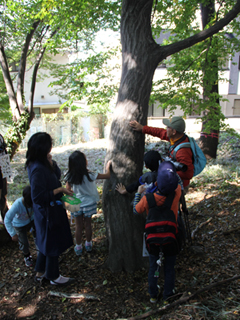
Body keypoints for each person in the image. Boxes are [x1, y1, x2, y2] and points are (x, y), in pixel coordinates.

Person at [25, 132, 74, 286]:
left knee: (46, 243)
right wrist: (60, 190)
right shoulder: (37, 169)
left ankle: (40, 273)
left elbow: (56, 176)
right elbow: (38, 197)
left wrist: (52, 163)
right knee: (52, 243)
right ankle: (53, 276)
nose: (51, 148)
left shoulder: (41, 162)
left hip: (51, 210)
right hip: (47, 213)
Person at [133, 161, 181, 303]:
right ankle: (167, 295)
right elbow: (177, 182)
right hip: (172, 237)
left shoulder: (148, 199)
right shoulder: (177, 192)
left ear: (157, 183)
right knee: (169, 267)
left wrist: (138, 194)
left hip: (153, 240)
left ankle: (153, 295)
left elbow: (136, 210)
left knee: (154, 266)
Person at [65, 150, 111, 256]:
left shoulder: (69, 176)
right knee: (88, 224)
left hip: (76, 203)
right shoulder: (90, 174)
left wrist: (70, 206)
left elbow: (68, 191)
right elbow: (107, 176)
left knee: (78, 226)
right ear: (84, 162)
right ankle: (89, 244)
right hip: (89, 203)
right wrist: (108, 166)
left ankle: (78, 247)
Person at [129, 116, 194, 191]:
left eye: (168, 127)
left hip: (178, 186)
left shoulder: (182, 151)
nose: (166, 129)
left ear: (174, 132)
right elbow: (160, 132)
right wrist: (143, 128)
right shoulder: (176, 138)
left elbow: (188, 174)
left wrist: (166, 173)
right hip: (172, 180)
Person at [4, 185, 35, 267]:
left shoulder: (34, 200)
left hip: (31, 220)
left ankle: (41, 251)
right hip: (19, 225)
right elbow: (7, 219)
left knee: (38, 235)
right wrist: (13, 233)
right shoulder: (17, 205)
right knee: (24, 242)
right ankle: (27, 256)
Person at [0, 133, 8, 221]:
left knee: (3, 194)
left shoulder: (0, 136)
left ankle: (5, 218)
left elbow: (4, 153)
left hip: (3, 169)